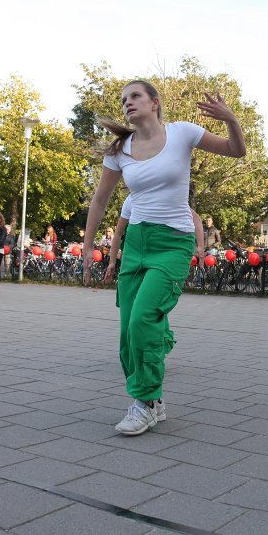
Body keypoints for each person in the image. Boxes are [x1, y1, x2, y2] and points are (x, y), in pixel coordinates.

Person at [83, 81, 245, 436]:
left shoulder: (183, 134)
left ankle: (147, 403)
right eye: (123, 99)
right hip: (137, 244)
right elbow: (99, 201)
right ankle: (150, 396)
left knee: (142, 319)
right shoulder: (120, 149)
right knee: (128, 332)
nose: (128, 103)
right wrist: (87, 247)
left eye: (135, 96)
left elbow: (236, 151)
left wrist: (232, 120)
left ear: (154, 103)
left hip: (173, 242)